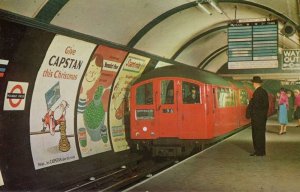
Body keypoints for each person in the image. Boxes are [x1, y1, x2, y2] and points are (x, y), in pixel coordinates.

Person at [247, 76, 269, 156]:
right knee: (261, 135)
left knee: (257, 134)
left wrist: (251, 107)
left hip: (257, 118)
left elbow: (256, 106)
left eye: (253, 83)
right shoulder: (264, 91)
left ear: (255, 83)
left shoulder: (257, 92)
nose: (253, 84)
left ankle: (258, 152)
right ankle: (261, 151)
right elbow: (265, 105)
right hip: (262, 117)